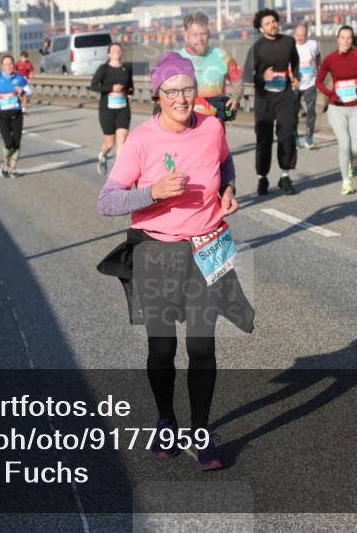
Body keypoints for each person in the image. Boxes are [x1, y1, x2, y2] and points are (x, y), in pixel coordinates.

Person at [96, 52, 253, 471]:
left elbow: (224, 160)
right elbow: (107, 201)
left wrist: (229, 188)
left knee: (202, 346)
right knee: (162, 348)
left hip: (205, 246)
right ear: (158, 95)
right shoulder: (141, 140)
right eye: (171, 91)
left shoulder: (212, 127)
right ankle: (166, 420)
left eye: (187, 89)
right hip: (156, 250)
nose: (181, 99)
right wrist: (153, 192)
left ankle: (201, 432)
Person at [245, 8, 300, 195]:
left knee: (287, 134)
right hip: (264, 98)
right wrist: (263, 77)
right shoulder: (257, 47)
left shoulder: (289, 42)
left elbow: (295, 62)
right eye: (267, 23)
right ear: (261, 29)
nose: (273, 25)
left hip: (285, 96)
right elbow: (247, 75)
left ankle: (285, 176)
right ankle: (262, 177)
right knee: (264, 138)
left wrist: (295, 77)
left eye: (274, 21)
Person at [315, 25, 357, 195]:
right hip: (337, 108)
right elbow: (318, 82)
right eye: (343, 37)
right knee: (344, 144)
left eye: (349, 38)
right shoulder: (330, 59)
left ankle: (349, 161)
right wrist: (330, 94)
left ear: (352, 39)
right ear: (338, 39)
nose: (346, 41)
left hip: (356, 107)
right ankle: (346, 181)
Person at [177, 12, 243, 118]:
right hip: (185, 122)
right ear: (186, 36)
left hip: (215, 122)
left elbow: (237, 81)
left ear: (209, 34)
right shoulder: (176, 59)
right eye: (195, 35)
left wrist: (235, 97)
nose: (200, 39)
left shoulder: (222, 56)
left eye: (203, 34)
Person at [90, 42, 135, 173]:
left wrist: (130, 93)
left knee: (122, 138)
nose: (116, 52)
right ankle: (103, 155)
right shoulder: (103, 69)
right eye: (113, 50)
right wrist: (111, 88)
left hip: (123, 108)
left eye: (118, 50)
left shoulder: (127, 68)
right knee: (110, 143)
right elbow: (93, 86)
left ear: (121, 53)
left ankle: (118, 171)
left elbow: (130, 85)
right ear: (109, 54)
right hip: (107, 109)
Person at [0, 55, 32, 178]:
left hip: (17, 113)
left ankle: (13, 169)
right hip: (2, 115)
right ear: (2, 66)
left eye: (10, 64)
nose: (9, 66)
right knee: (8, 143)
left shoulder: (19, 78)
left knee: (16, 143)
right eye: (6, 64)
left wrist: (22, 91)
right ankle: (5, 163)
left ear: (13, 65)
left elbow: (29, 91)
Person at [293, 24, 321, 149]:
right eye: (298, 35)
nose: (300, 38)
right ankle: (295, 139)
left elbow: (318, 56)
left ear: (307, 35)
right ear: (295, 35)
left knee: (311, 111)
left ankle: (309, 139)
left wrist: (319, 70)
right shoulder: (290, 47)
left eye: (302, 35)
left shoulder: (313, 45)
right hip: (295, 85)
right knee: (293, 112)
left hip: (311, 83)